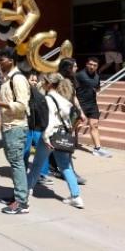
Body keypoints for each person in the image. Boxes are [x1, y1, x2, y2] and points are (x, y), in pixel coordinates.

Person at [27, 73, 84, 209]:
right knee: (65, 166)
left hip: (51, 135)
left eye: (44, 82)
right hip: (62, 136)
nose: (42, 84)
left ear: (49, 84)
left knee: (37, 164)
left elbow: (51, 120)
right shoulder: (65, 100)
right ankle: (76, 197)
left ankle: (27, 190)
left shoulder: (48, 99)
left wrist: (46, 137)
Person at [0, 47, 30, 215]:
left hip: (16, 127)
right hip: (8, 126)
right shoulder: (8, 79)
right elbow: (9, 101)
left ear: (11, 60)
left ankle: (21, 202)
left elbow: (21, 105)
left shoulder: (18, 79)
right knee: (15, 163)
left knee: (17, 163)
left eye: (1, 60)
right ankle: (17, 195)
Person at [76, 57, 112, 158]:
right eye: (90, 64)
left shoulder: (97, 76)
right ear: (86, 64)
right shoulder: (79, 75)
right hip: (80, 104)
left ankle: (97, 148)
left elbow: (97, 87)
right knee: (74, 126)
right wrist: (76, 106)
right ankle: (65, 144)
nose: (92, 67)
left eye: (95, 65)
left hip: (92, 105)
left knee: (94, 125)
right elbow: (73, 91)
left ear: (97, 67)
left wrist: (96, 90)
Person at [22, 72, 53, 187]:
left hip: (38, 127)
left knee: (41, 151)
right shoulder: (23, 93)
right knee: (26, 151)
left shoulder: (40, 92)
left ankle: (42, 174)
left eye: (35, 80)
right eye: (32, 80)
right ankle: (23, 173)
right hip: (27, 127)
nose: (34, 82)